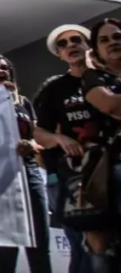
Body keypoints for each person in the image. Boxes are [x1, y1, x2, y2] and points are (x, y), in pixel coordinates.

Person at [33, 24, 108, 273]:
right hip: (74, 177)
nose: (70, 46)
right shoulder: (54, 88)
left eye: (76, 40)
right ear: (59, 55)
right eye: (62, 45)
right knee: (84, 243)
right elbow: (37, 131)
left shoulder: (109, 79)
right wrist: (59, 139)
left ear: (91, 44)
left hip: (112, 169)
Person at [0, 54, 52, 273]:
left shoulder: (23, 102)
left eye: (5, 68)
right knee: (7, 247)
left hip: (29, 170)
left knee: (39, 243)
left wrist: (31, 144)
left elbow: (36, 136)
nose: (1, 71)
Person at [74, 18, 121, 273]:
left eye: (117, 37)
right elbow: (109, 105)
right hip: (113, 168)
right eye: (104, 39)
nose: (112, 42)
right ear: (97, 50)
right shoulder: (93, 77)